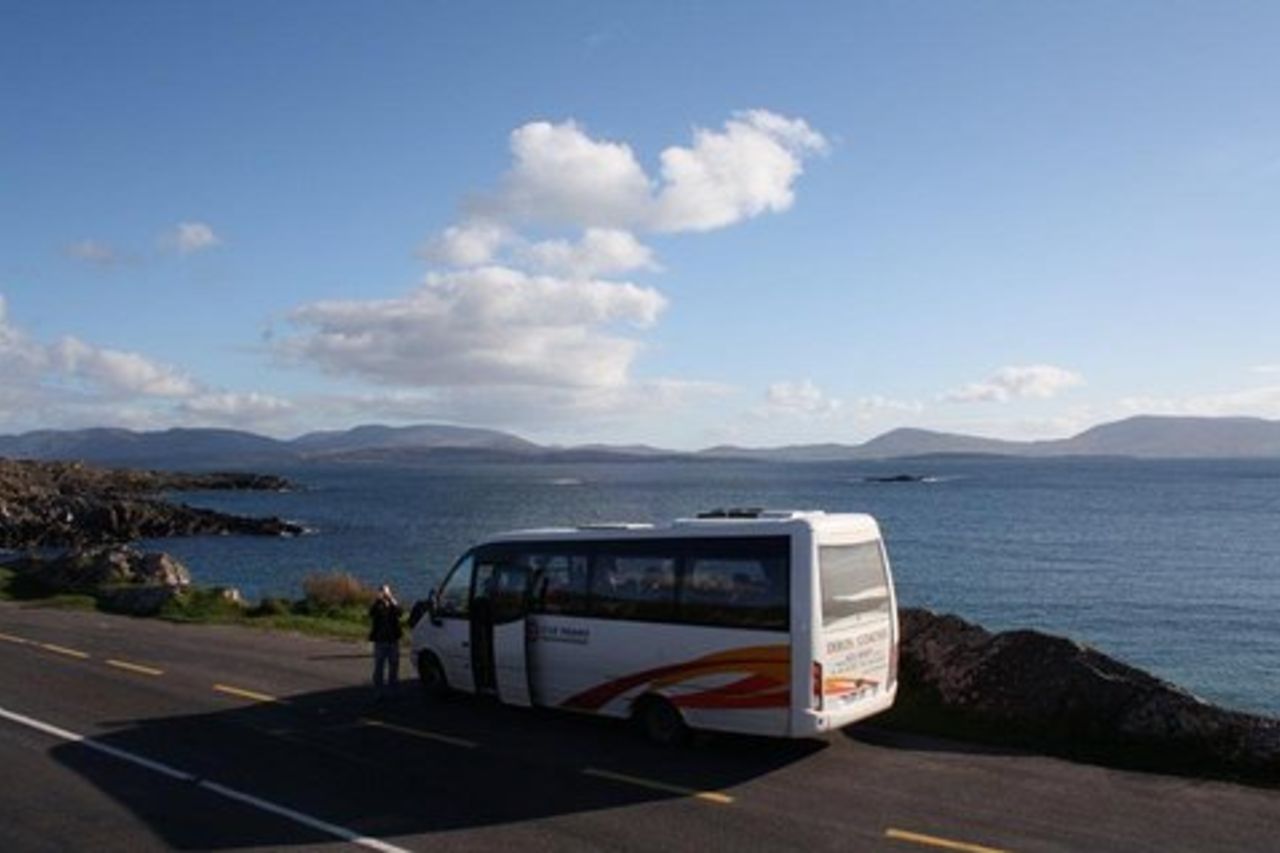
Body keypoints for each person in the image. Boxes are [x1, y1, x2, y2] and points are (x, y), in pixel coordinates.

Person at [368, 583, 403, 700]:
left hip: (393, 640)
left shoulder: (393, 604)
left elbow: (400, 613)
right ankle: (378, 691)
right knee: (379, 667)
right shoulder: (378, 605)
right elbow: (371, 613)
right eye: (383, 592)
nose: (385, 594)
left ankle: (393, 690)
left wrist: (393, 601)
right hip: (380, 641)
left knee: (394, 666)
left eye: (387, 592)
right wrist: (378, 601)